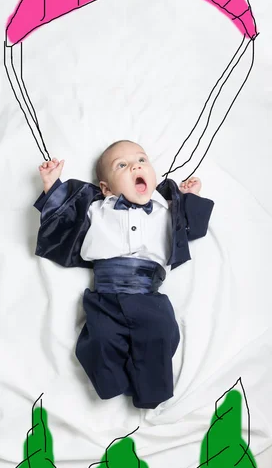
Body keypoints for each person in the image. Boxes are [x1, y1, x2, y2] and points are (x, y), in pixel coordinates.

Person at [34, 140, 214, 409]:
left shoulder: (166, 209)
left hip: (148, 294)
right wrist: (52, 185)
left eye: (142, 160)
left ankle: (151, 391)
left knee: (162, 334)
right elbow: (64, 217)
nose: (135, 166)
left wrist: (190, 199)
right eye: (122, 165)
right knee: (100, 339)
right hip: (105, 293)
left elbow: (193, 230)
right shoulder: (98, 209)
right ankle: (113, 383)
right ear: (106, 188)